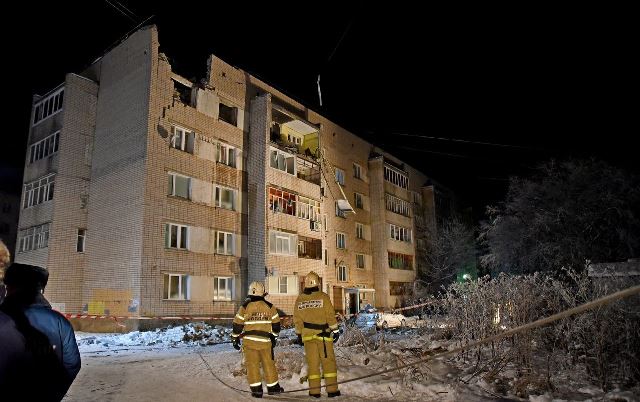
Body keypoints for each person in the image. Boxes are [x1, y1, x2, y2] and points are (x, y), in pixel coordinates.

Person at [0, 263, 81, 401]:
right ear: (40, 290)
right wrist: (53, 393)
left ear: (10, 288)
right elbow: (72, 364)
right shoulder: (60, 322)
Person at [231, 281, 284, 398]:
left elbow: (237, 325)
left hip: (249, 343)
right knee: (269, 364)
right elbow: (276, 325)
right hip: (265, 343)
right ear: (263, 292)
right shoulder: (270, 307)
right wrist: (274, 337)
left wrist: (235, 338)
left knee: (252, 365)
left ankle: (256, 391)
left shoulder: (244, 307)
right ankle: (273, 388)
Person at [293, 271, 341, 398]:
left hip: (308, 337)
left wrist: (299, 334)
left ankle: (314, 392)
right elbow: (330, 315)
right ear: (317, 283)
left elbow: (297, 319)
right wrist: (335, 330)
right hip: (323, 336)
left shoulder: (300, 299)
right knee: (328, 363)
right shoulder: (323, 297)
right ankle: (332, 390)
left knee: (312, 365)